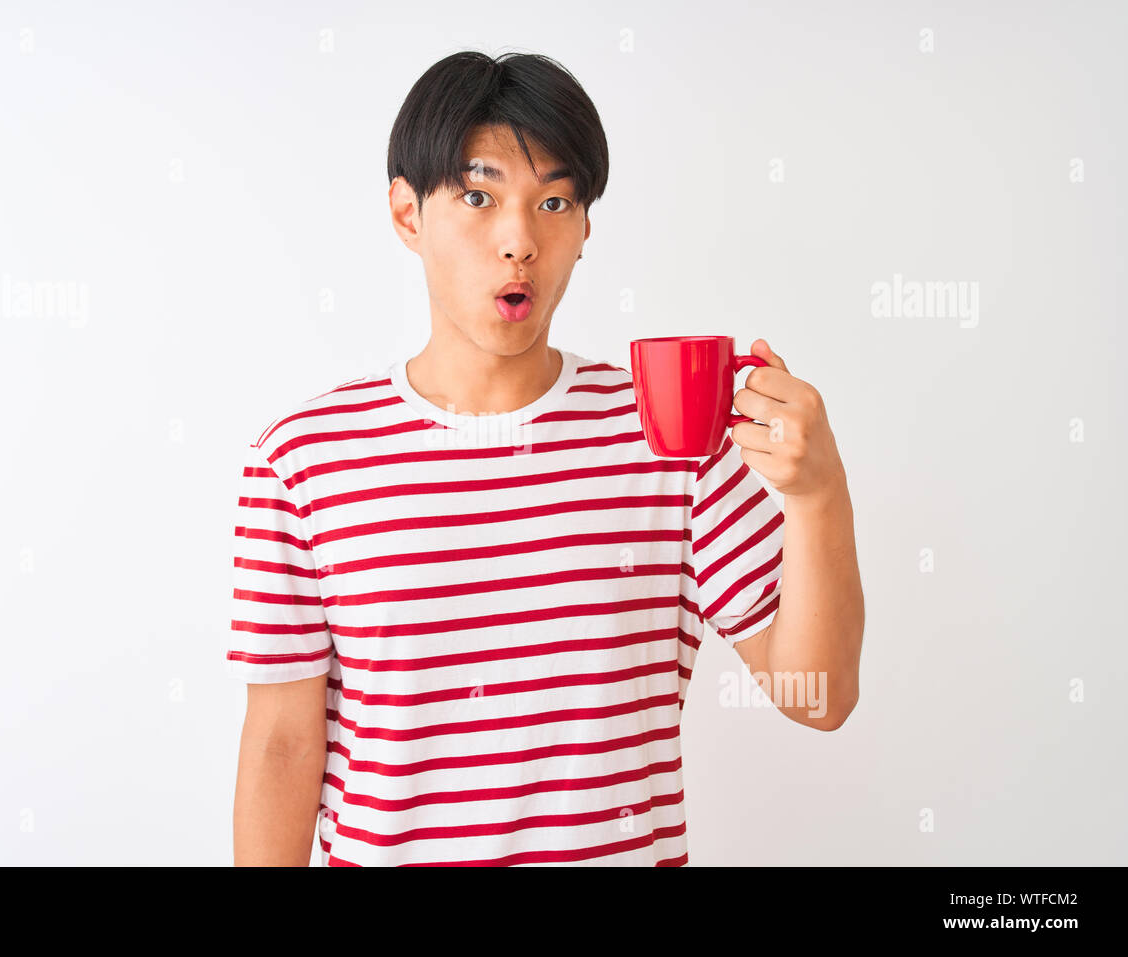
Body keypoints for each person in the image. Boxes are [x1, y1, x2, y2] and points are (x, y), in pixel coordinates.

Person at [229, 51, 864, 866]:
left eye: (554, 201)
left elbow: (819, 697)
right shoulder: (301, 459)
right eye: (478, 195)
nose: (519, 240)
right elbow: (283, 745)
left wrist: (819, 495)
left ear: (585, 227)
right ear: (405, 212)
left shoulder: (668, 434)